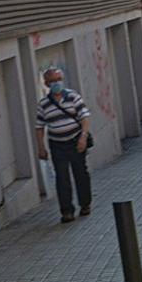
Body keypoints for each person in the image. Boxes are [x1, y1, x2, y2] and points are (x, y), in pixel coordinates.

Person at [35, 67, 93, 223]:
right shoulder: (44, 104)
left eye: (58, 79)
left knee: (80, 173)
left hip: (75, 140)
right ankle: (67, 211)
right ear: (46, 83)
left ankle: (85, 204)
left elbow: (84, 117)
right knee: (62, 178)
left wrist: (83, 137)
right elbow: (39, 127)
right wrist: (41, 147)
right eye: (52, 81)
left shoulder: (73, 96)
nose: (56, 83)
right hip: (57, 144)